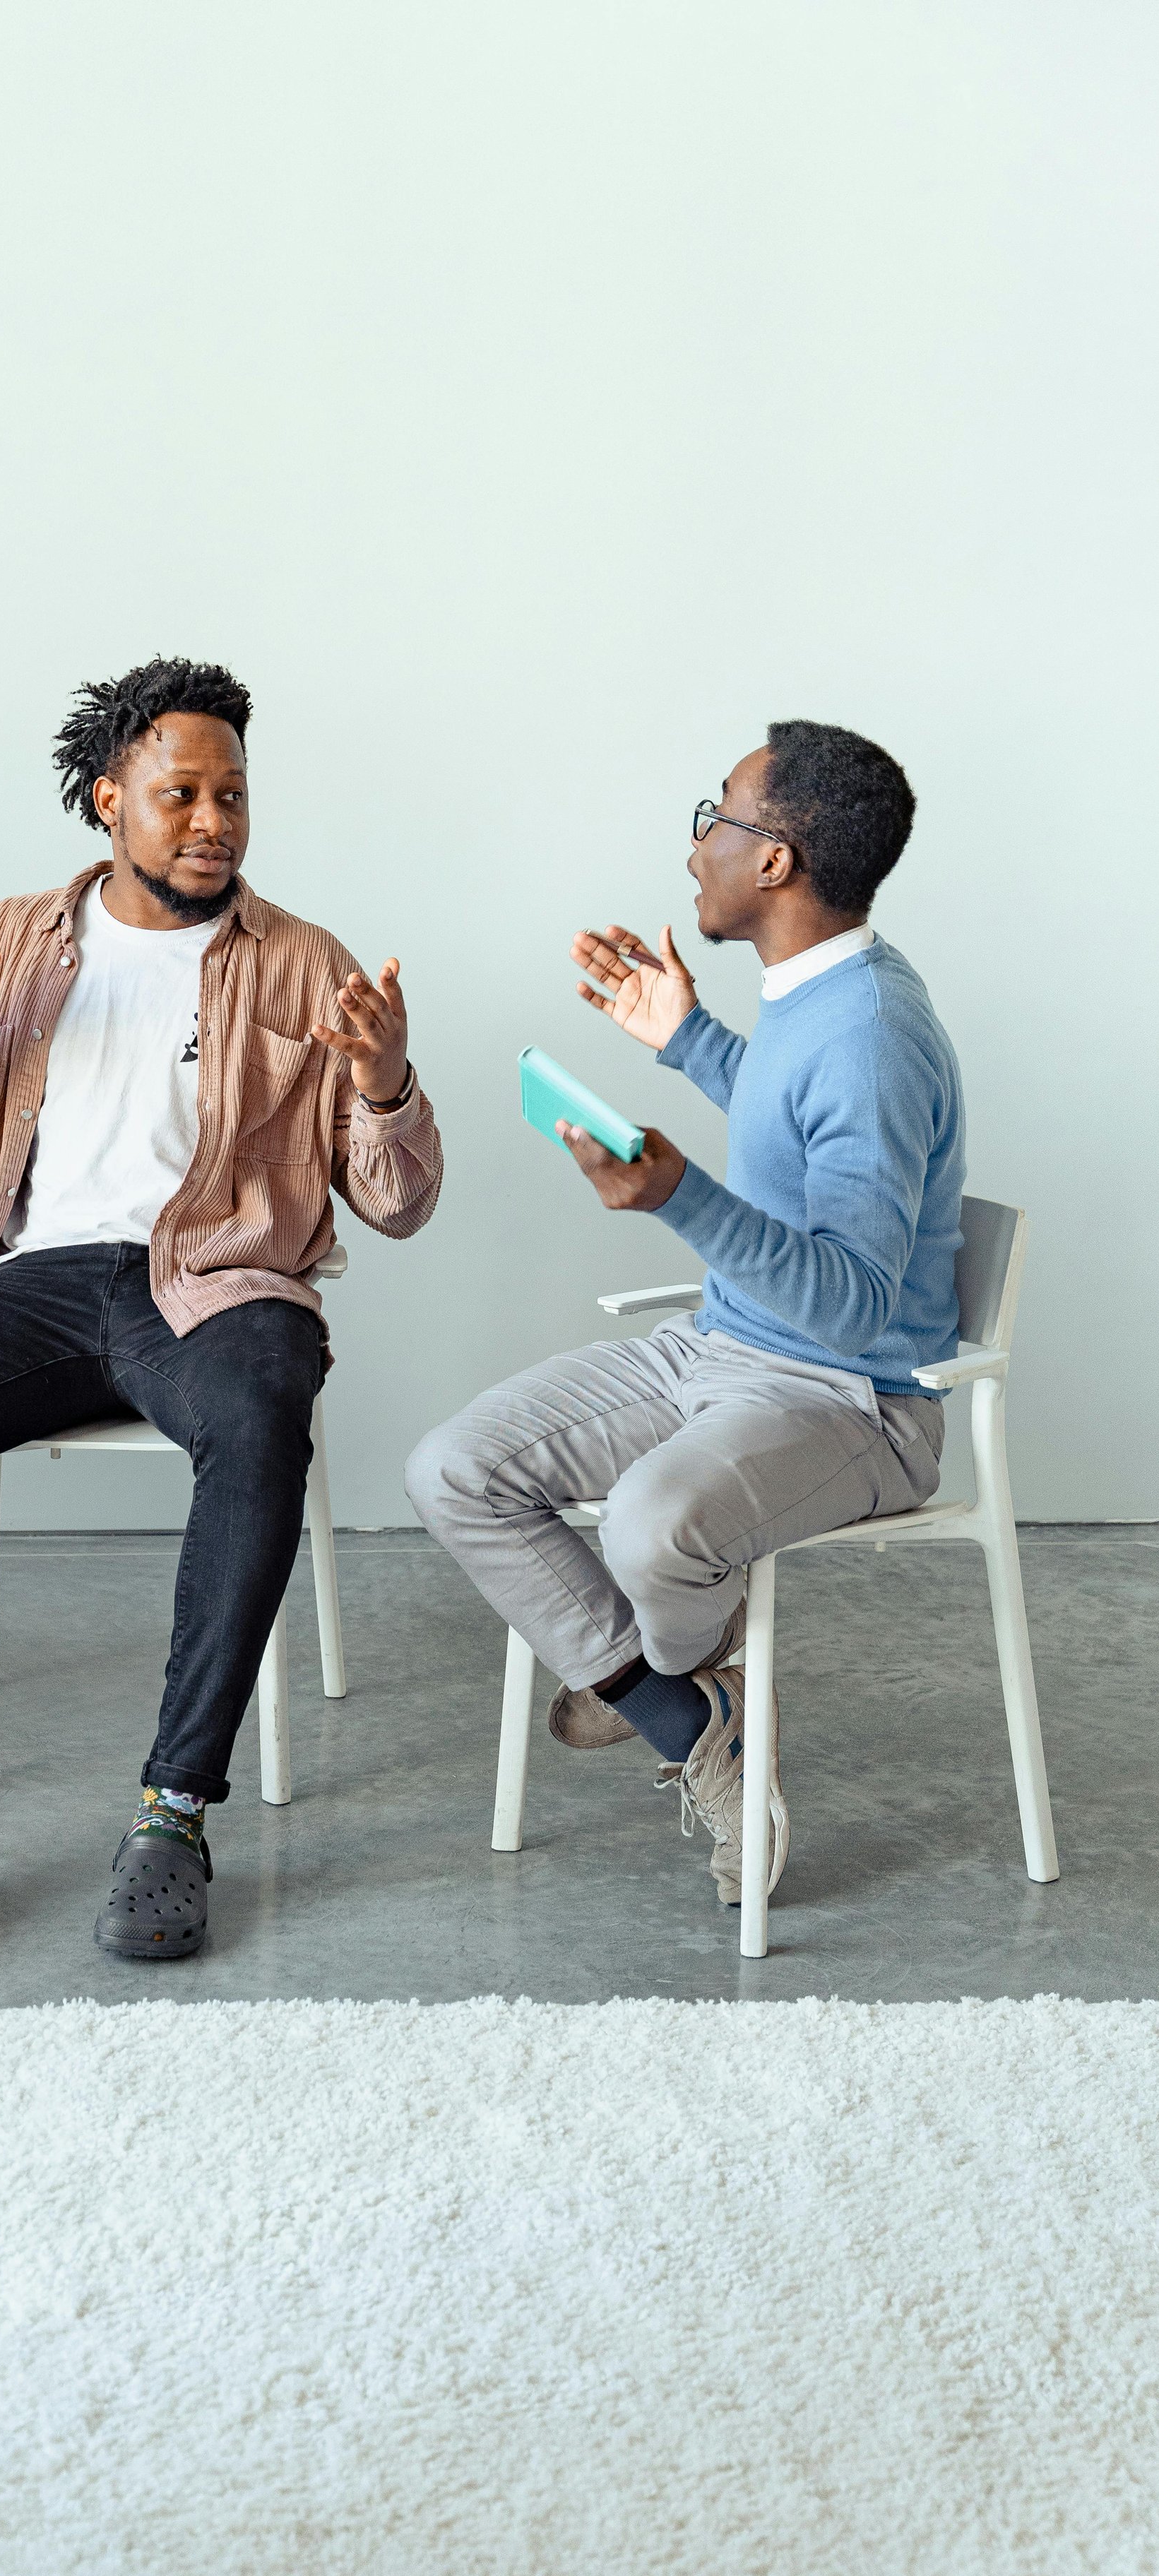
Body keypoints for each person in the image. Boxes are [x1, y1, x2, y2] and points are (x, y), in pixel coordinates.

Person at [0, 655, 444, 1961]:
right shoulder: (13, 946)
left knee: (262, 1414)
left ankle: (173, 1814)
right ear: (109, 800)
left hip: (217, 1281)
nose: (213, 821)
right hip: (34, 1279)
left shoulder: (306, 964)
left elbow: (399, 1202)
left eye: (234, 795)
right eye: (182, 793)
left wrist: (381, 1078)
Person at [407, 722, 962, 1908]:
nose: (697, 842)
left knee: (651, 1524)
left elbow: (858, 1305)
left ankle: (655, 1676)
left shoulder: (871, 1034)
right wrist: (689, 1039)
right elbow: (788, 1120)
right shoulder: (818, 996)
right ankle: (685, 1709)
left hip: (855, 1400)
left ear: (774, 861)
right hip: (719, 1348)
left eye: (716, 815)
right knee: (455, 1467)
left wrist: (678, 1198)